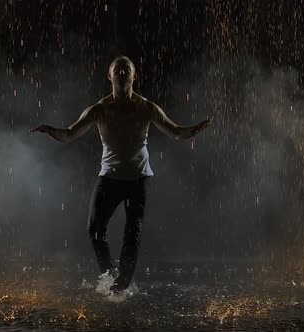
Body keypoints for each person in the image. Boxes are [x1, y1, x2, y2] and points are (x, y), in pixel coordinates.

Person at [31, 55, 213, 293]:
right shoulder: (99, 110)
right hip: (109, 178)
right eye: (117, 70)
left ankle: (124, 280)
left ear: (134, 76)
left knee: (132, 230)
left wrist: (196, 129)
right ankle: (110, 275)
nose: (122, 73)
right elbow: (69, 134)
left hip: (139, 179)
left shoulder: (147, 107)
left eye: (126, 69)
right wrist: (49, 130)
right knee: (94, 229)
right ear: (109, 76)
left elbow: (177, 133)